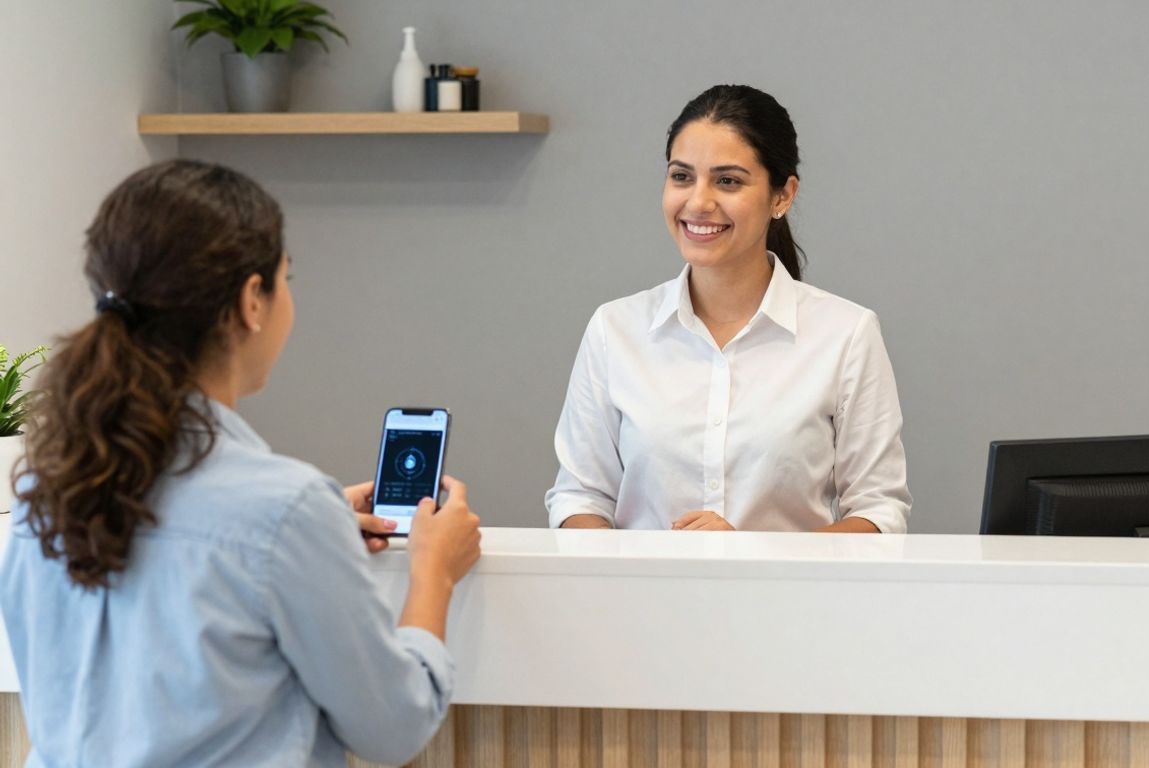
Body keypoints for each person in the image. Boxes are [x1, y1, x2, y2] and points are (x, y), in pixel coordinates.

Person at [0, 159, 481, 767]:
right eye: (287, 277)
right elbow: (393, 726)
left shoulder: (45, 488)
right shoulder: (284, 509)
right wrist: (433, 572)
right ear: (253, 299)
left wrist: (315, 531)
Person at [546, 85, 912, 533]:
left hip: (787, 603)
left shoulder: (846, 333)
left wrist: (752, 559)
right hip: (642, 601)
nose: (698, 202)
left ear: (782, 196)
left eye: (728, 181)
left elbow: (878, 512)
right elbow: (578, 497)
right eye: (681, 176)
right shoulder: (614, 329)